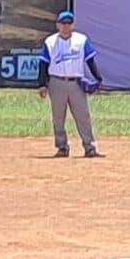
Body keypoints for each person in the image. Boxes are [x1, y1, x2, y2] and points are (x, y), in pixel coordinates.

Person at [37, 10, 104, 158]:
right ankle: (62, 147)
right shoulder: (50, 42)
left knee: (83, 116)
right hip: (56, 82)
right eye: (63, 23)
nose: (66, 26)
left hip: (76, 83)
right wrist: (42, 84)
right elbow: (43, 64)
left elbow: (90, 60)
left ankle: (89, 147)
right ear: (57, 25)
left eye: (69, 23)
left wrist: (98, 78)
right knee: (58, 117)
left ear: (73, 25)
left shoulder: (81, 40)